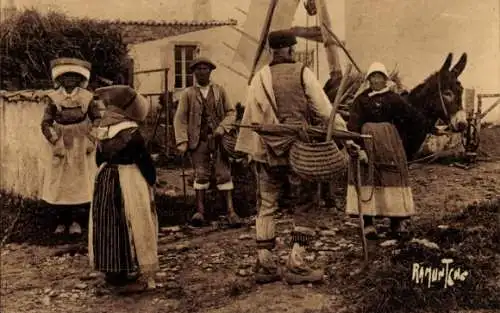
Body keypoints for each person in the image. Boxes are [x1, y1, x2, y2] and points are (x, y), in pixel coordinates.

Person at [235, 30, 358, 284]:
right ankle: (296, 264)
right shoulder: (302, 72)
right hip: (299, 153)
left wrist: (254, 150)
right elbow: (324, 110)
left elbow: (251, 118)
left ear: (272, 51)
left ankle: (266, 266)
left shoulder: (259, 78)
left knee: (267, 205)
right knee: (305, 203)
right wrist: (346, 135)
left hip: (268, 152)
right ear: (291, 50)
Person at [88, 85, 158, 291]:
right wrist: (151, 179)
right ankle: (128, 269)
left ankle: (112, 271)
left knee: (109, 223)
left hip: (106, 178)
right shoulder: (131, 132)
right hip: (129, 178)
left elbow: (99, 158)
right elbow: (143, 160)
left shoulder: (102, 129)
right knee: (132, 219)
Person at [345, 62, 415, 240]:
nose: (376, 80)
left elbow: (409, 118)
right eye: (373, 76)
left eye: (379, 76)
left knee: (392, 177)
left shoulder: (394, 98)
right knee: (369, 177)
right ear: (369, 79)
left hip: (389, 144)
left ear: (385, 79)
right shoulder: (361, 100)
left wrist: (404, 139)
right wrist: (356, 145)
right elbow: (353, 123)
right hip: (367, 142)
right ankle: (368, 223)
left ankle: (396, 221)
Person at [173, 56, 242, 227]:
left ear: (210, 71)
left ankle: (231, 212)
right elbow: (180, 118)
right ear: (194, 73)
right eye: (198, 69)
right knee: (201, 174)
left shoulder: (220, 91)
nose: (202, 72)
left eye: (205, 69)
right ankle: (200, 212)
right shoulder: (188, 94)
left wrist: (222, 128)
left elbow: (231, 113)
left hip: (218, 141)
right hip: (199, 140)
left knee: (223, 173)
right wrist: (182, 141)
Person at [40, 57, 103, 235]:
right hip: (61, 143)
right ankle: (61, 221)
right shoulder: (53, 98)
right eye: (66, 76)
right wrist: (54, 141)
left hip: (80, 144)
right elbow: (45, 123)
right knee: (61, 182)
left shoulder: (87, 97)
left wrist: (92, 138)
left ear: (79, 79)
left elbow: (97, 118)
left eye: (73, 76)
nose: (69, 80)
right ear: (59, 79)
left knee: (78, 181)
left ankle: (76, 221)